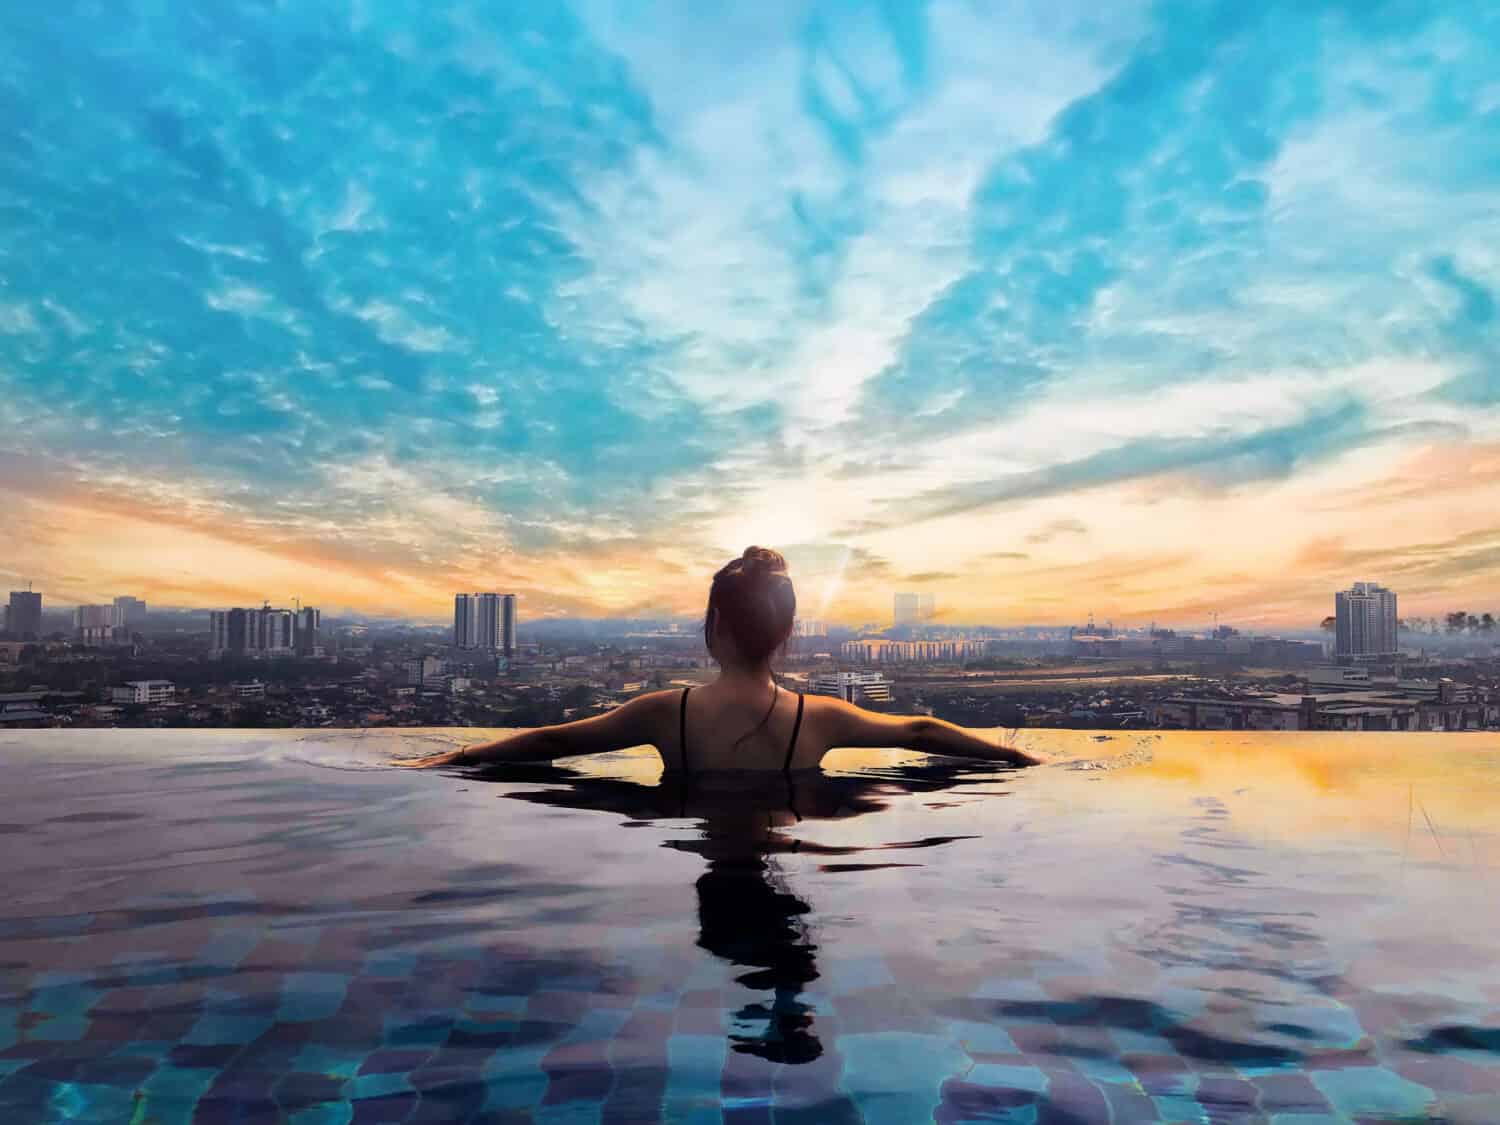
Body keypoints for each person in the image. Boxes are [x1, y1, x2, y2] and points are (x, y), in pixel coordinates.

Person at [394, 546, 1043, 772]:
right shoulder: (818, 717)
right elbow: (920, 733)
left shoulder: (664, 711)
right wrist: (1016, 755)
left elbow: (553, 741)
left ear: (713, 629)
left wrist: (452, 757)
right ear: (786, 633)